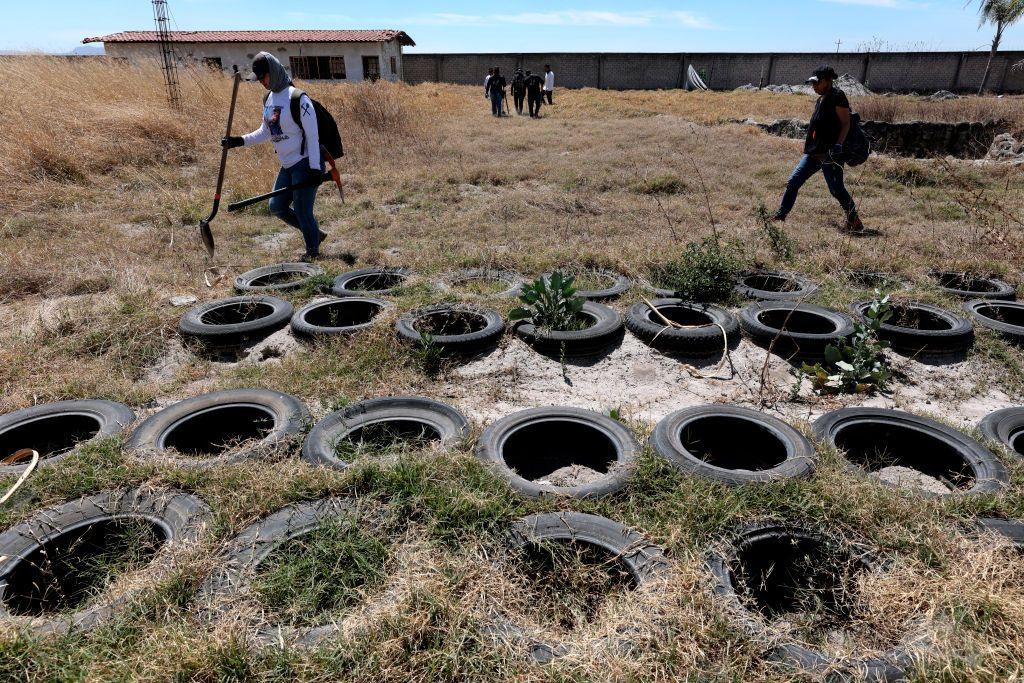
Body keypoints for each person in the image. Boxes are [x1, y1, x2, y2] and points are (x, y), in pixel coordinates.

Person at [222, 52, 327, 259]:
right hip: (287, 165)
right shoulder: (269, 99)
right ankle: (314, 233)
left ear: (274, 71)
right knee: (277, 206)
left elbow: (313, 136)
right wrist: (238, 141)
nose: (262, 82)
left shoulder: (298, 98)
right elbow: (266, 132)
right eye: (259, 78)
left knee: (302, 210)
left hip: (305, 162)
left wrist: (315, 168)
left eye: (263, 77)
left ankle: (313, 253)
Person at [773, 65, 863, 232]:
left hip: (831, 154)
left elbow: (846, 123)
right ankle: (781, 215)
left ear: (828, 81)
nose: (814, 86)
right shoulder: (820, 99)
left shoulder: (837, 96)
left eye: (817, 82)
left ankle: (854, 220)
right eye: (812, 83)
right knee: (793, 182)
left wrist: (838, 145)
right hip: (814, 152)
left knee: (836, 190)